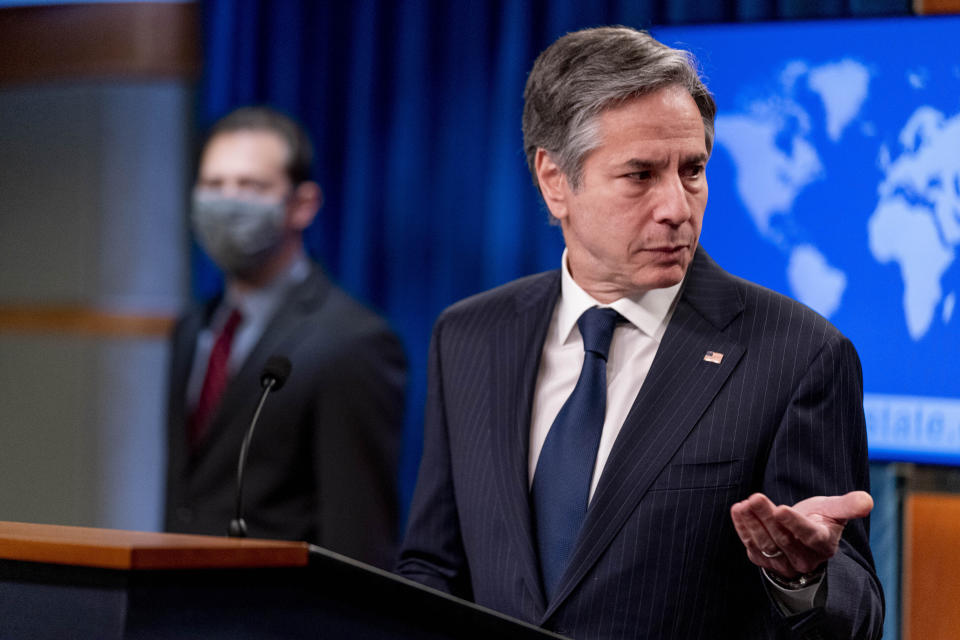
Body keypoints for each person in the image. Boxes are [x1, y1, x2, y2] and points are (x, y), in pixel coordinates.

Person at [396, 27, 883, 638]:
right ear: (554, 181)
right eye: (641, 175)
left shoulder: (799, 355)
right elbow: (433, 566)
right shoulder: (469, 336)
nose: (677, 207)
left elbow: (859, 613)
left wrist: (800, 579)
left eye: (693, 170)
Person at [164, 106, 405, 570]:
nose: (227, 201)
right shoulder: (193, 327)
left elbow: (357, 539)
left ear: (303, 204)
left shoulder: (353, 341)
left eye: (251, 187)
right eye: (214, 185)